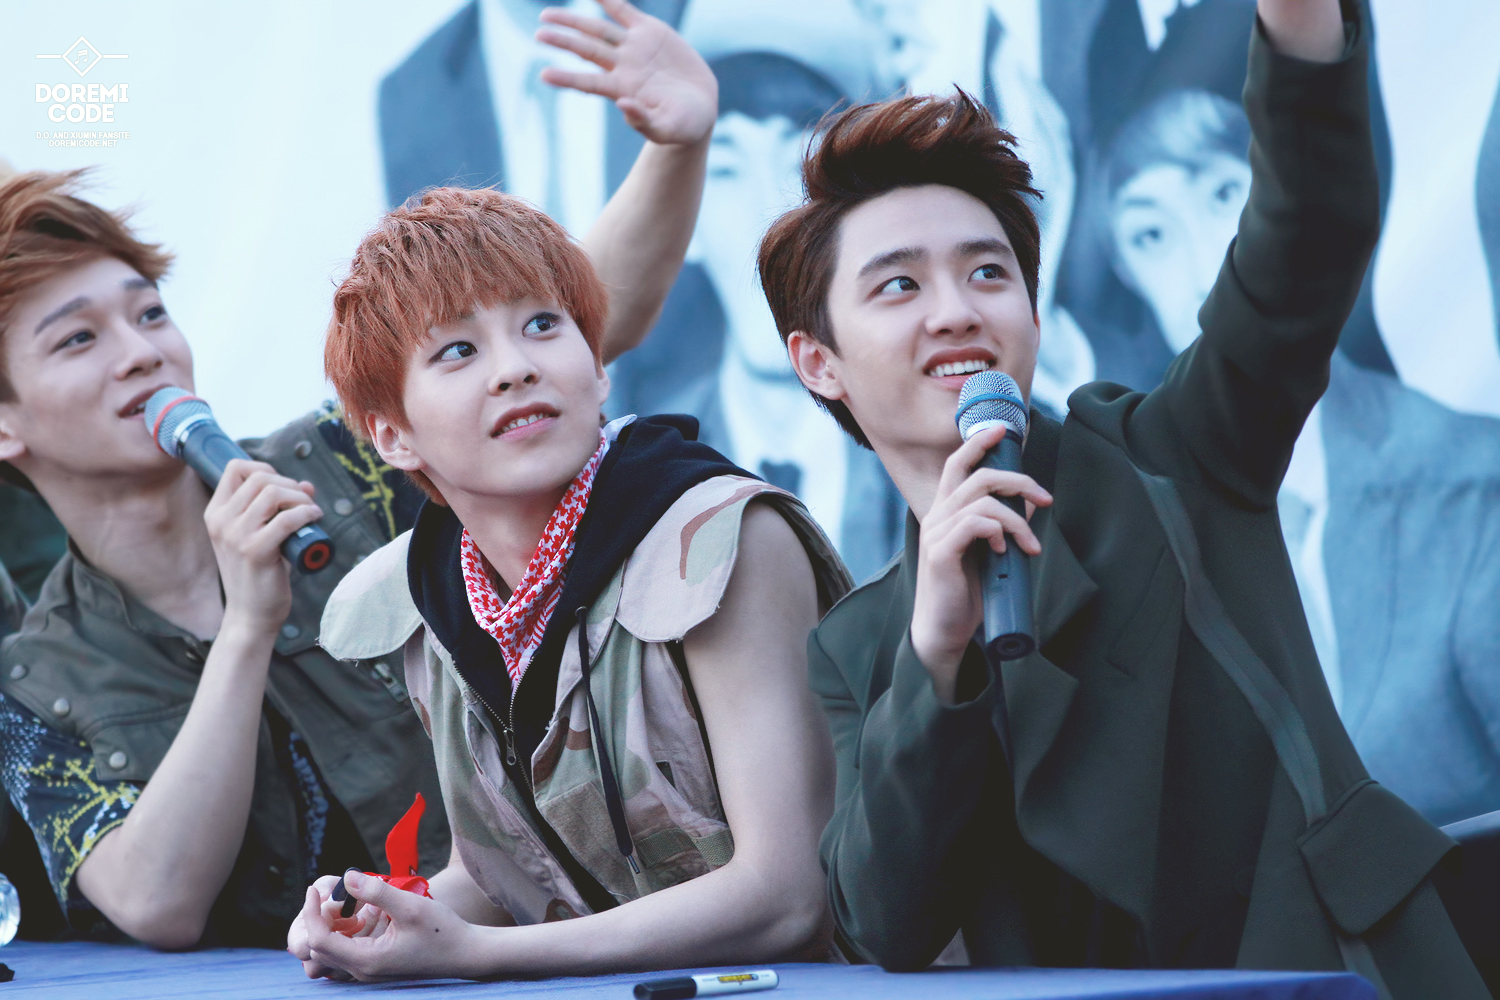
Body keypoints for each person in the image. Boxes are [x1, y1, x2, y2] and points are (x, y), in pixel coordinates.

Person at [759, 0, 1485, 993]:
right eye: (899, 286)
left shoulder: (1170, 455)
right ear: (819, 363)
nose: (958, 310)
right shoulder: (860, 645)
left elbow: (1304, 239)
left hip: (1318, 971)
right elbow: (890, 918)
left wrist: (1301, 29)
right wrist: (938, 653)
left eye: (988, 272)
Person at [0, 0, 717, 949]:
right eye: (78, 340)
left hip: (534, 940)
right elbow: (155, 903)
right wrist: (247, 627)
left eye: (149, 313)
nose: (141, 352)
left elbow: (576, 322)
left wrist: (675, 147)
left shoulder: (345, 464)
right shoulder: (35, 673)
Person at [287, 183, 850, 979]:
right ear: (393, 436)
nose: (516, 369)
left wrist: (482, 957)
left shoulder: (724, 538)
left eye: (543, 326)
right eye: (458, 351)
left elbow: (788, 896)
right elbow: (505, 875)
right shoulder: (423, 596)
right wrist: (383, 913)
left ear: (598, 366)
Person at [1100, 80, 1500, 828]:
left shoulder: (1471, 484)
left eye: (1224, 195)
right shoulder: (1134, 536)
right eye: (1151, 236)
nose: (1203, 268)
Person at [650, 50, 904, 582]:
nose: (766, 212)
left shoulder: (928, 447)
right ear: (682, 223)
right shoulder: (649, 467)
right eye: (726, 170)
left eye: (796, 168)